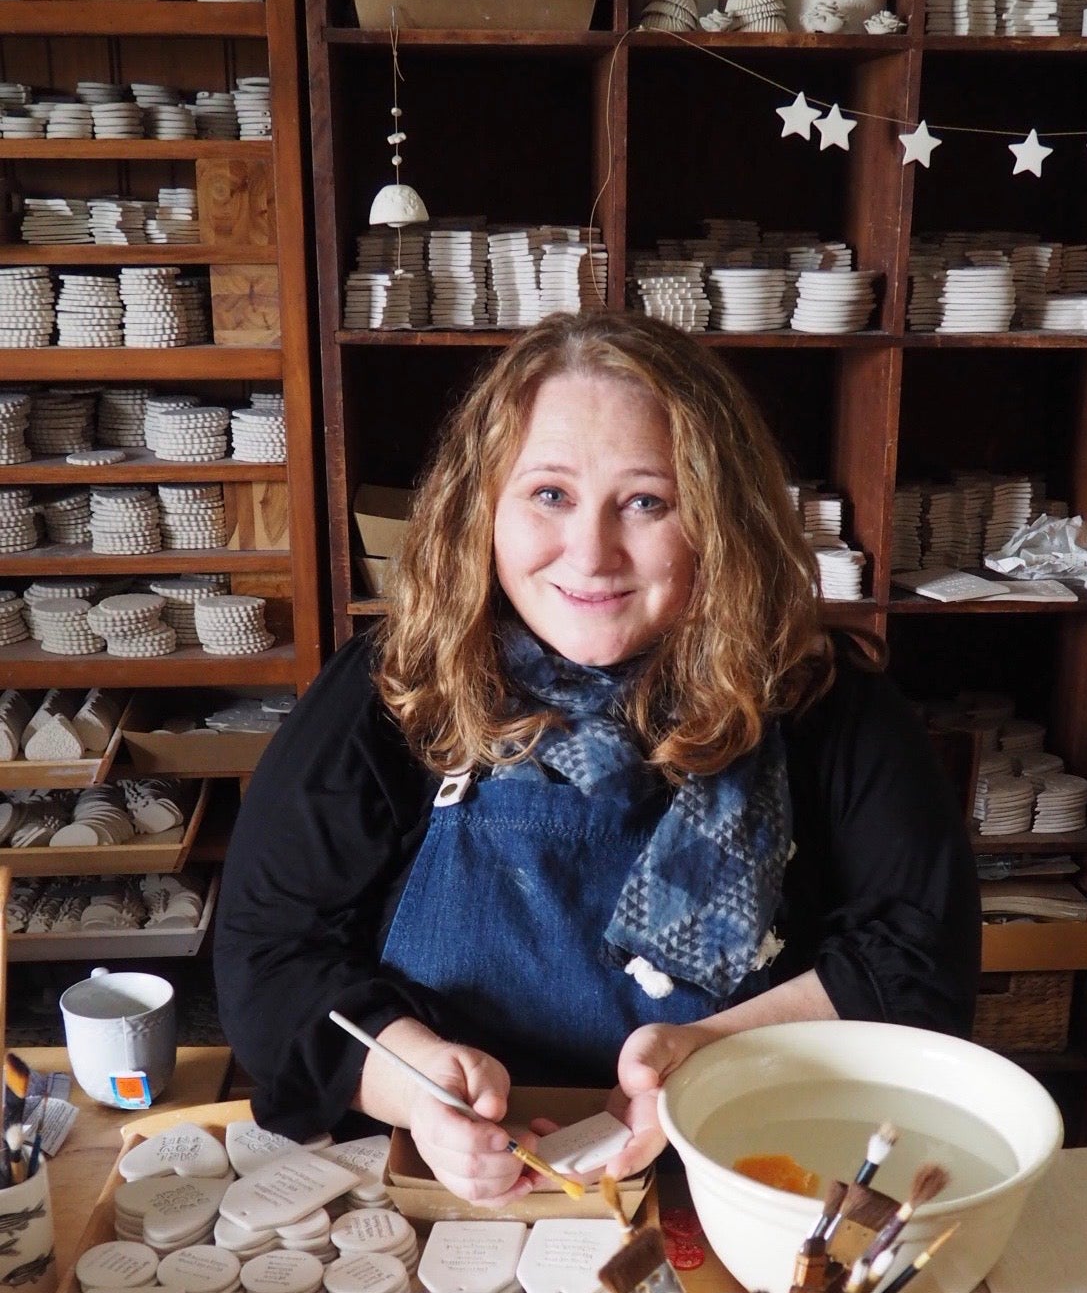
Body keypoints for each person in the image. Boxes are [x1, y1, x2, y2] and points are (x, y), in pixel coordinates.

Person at [214, 311, 979, 1205]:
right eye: (550, 495)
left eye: (646, 501)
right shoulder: (395, 691)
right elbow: (269, 960)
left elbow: (922, 965)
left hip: (740, 1176)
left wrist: (711, 1061)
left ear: (717, 518)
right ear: (482, 507)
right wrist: (416, 1080)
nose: (592, 553)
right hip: (447, 1195)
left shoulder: (821, 703)